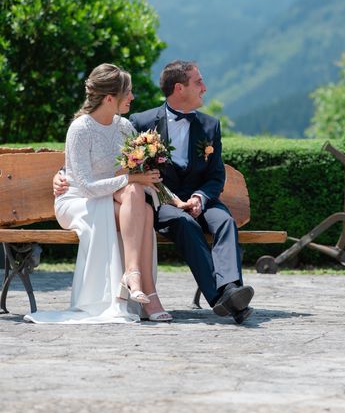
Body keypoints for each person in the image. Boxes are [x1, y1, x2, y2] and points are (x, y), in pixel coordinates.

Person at [55, 61, 254, 324]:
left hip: (176, 198)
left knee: (221, 221)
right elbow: (92, 169)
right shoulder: (137, 122)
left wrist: (192, 198)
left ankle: (228, 291)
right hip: (123, 200)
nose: (133, 97)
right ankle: (212, 297)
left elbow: (199, 175)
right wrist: (61, 173)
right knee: (163, 214)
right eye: (198, 82)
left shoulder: (201, 126)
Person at [28, 63, 172, 324]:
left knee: (143, 204)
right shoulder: (81, 129)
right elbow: (85, 187)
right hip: (76, 200)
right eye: (127, 92)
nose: (132, 97)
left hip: (113, 196)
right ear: (109, 98)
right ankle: (146, 291)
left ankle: (134, 276)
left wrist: (167, 195)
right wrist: (131, 179)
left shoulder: (125, 127)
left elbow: (132, 176)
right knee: (140, 206)